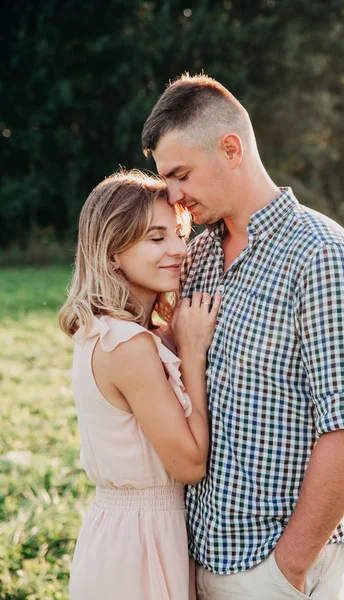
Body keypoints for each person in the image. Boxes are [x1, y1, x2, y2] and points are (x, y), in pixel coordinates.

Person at [141, 74, 344, 600]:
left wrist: (288, 568)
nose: (175, 197)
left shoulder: (324, 257)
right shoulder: (200, 256)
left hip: (271, 567)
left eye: (181, 175)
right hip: (195, 554)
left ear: (231, 148)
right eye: (167, 181)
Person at [58, 169, 221, 600]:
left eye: (178, 234)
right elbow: (189, 465)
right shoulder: (128, 345)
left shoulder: (111, 332)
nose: (178, 250)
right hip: (138, 547)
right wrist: (192, 354)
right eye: (156, 238)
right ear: (112, 253)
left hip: (126, 533)